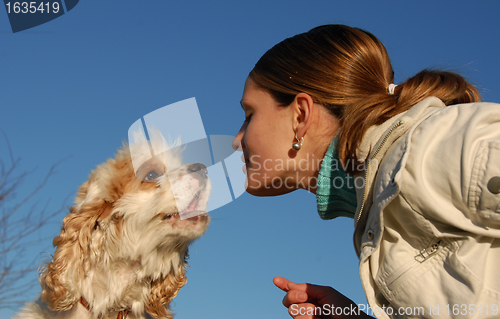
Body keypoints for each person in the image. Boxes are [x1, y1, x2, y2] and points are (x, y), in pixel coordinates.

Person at [234, 24, 500, 318]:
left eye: (249, 115)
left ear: (300, 115)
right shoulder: (376, 204)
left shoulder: (430, 148)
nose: (237, 141)